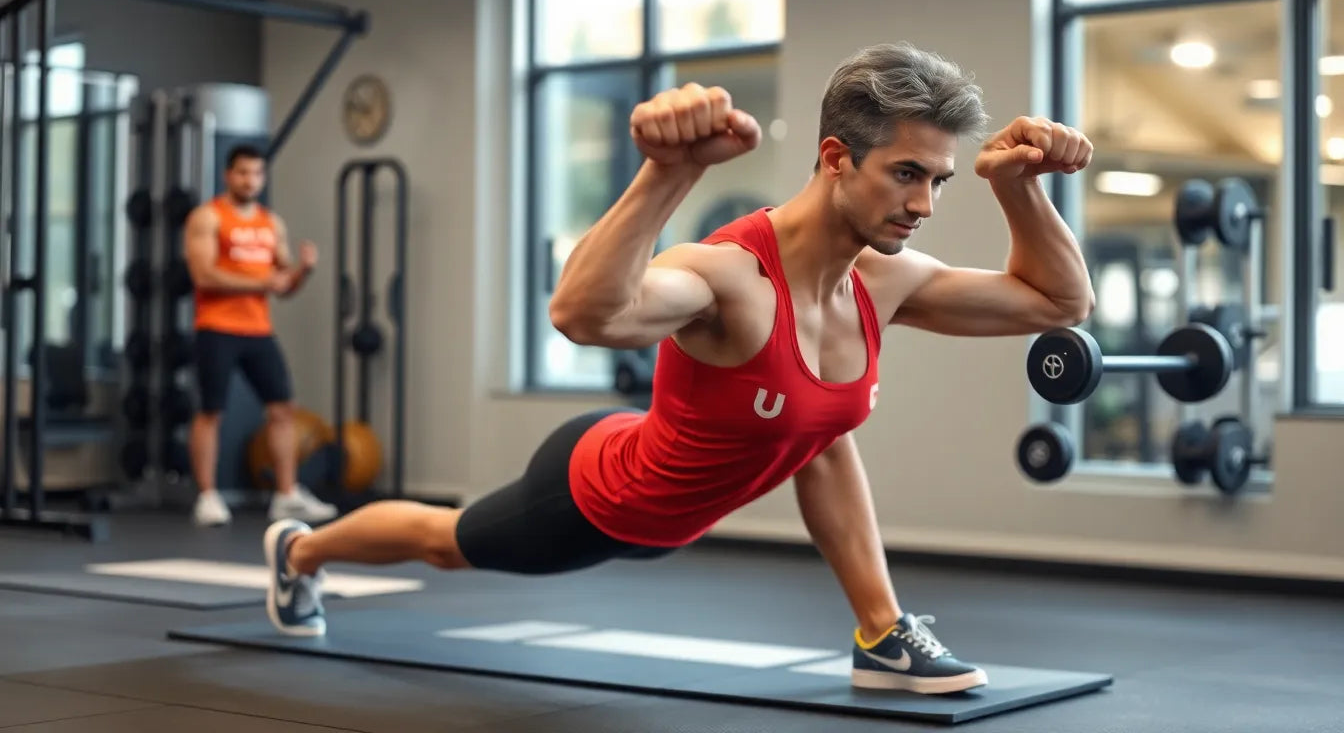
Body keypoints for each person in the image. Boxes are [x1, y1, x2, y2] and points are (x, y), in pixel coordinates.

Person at [260, 43, 1095, 694]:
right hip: (598, 497)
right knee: (445, 542)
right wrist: (670, 171)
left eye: (939, 180)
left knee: (825, 431)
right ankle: (299, 553)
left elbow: (1058, 302)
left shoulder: (886, 280)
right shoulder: (729, 277)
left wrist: (1018, 187)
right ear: (836, 157)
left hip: (679, 489)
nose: (923, 204)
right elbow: (582, 314)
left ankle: (882, 633)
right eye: (906, 174)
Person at [184, 144, 338, 527]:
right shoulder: (208, 217)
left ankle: (286, 495)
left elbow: (283, 285)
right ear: (228, 175)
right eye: (242, 173)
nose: (249, 181)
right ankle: (207, 496)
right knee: (211, 412)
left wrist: (303, 271)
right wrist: (262, 282)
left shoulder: (272, 224)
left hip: (258, 330)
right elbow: (204, 275)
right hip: (216, 328)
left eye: (256, 173)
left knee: (283, 409)